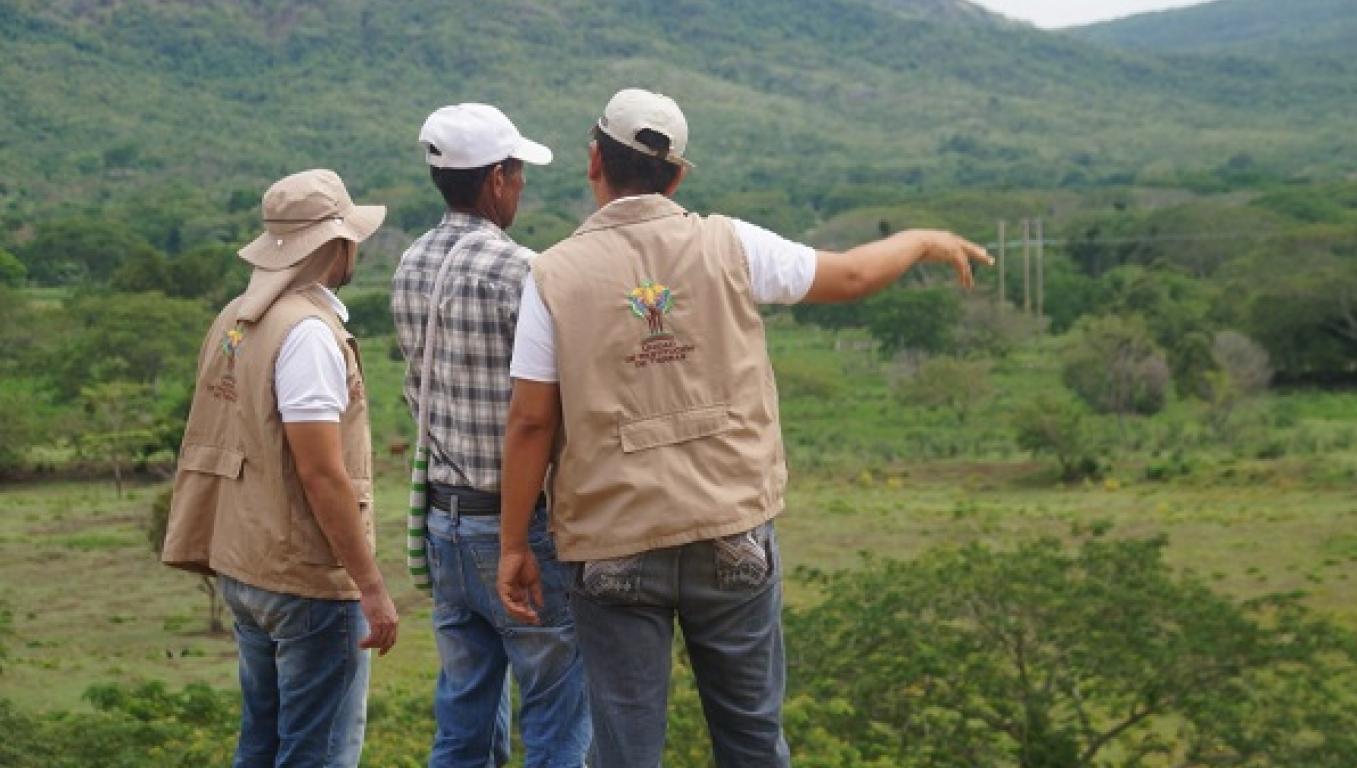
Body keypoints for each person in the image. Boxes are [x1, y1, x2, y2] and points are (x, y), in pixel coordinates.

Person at [496, 88, 992, 767]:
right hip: (730, 528)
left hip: (612, 540)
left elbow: (529, 421)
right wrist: (921, 239)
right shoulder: (731, 244)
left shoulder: (552, 274)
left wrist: (513, 543)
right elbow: (847, 277)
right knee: (753, 738)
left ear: (592, 162)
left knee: (625, 750)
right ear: (676, 175)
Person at [161, 168, 399, 768]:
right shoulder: (310, 335)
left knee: (262, 744)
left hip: (242, 562)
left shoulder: (235, 318)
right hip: (304, 580)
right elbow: (321, 473)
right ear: (333, 245)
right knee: (316, 753)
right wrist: (370, 586)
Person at [391, 103, 591, 768]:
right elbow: (540, 413)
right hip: (514, 529)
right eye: (518, 173)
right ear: (497, 179)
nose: (523, 186)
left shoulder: (409, 263)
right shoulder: (523, 271)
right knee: (557, 716)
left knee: (463, 720)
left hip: (443, 527)